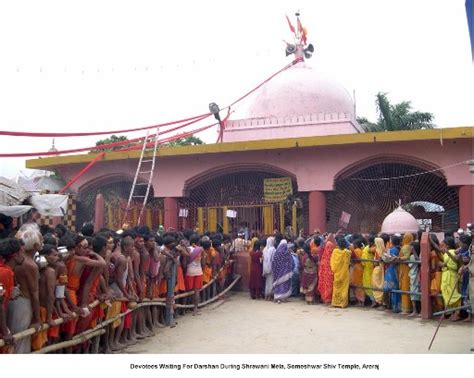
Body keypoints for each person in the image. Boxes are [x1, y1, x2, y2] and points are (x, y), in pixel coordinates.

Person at [9, 226, 42, 353]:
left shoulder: (17, 259)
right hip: (23, 304)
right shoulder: (30, 265)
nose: (42, 243)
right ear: (35, 245)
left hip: (14, 301)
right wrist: (37, 318)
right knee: (21, 340)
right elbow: (34, 293)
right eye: (40, 241)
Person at [31, 244, 58, 351]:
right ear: (45, 257)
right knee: (39, 344)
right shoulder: (50, 272)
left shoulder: (36, 269)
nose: (57, 258)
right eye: (54, 255)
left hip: (35, 309)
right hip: (43, 311)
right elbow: (50, 295)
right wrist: (49, 317)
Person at [330, 236, 351, 308]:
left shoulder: (335, 251)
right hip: (344, 273)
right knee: (344, 289)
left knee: (336, 288)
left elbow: (332, 262)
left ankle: (335, 303)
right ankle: (342, 303)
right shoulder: (347, 252)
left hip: (337, 273)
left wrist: (334, 270)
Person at [383, 235, 401, 313]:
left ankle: (390, 306)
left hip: (391, 270)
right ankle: (396, 306)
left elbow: (386, 258)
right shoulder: (399, 249)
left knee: (389, 288)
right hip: (396, 269)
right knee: (395, 288)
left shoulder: (392, 250)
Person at [271, 239, 293, 303]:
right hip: (286, 272)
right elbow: (290, 262)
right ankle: (284, 298)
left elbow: (274, 262)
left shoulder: (276, 252)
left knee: (278, 284)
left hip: (277, 272)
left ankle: (277, 297)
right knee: (285, 284)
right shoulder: (287, 253)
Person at [399, 233, 414, 314]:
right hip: (407, 268)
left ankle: (406, 308)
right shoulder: (410, 246)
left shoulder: (405, 247)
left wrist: (398, 258)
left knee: (405, 287)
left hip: (405, 268)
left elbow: (406, 257)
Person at [318, 239, 335, 305]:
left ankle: (325, 299)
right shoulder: (333, 256)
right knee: (329, 286)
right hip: (329, 276)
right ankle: (329, 300)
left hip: (324, 276)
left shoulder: (323, 257)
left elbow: (321, 268)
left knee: (324, 286)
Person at [361, 235, 376, 307]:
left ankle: (373, 302)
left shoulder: (366, 249)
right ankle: (375, 301)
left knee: (368, 285)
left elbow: (363, 262)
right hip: (374, 268)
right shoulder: (377, 247)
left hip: (367, 270)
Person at [371, 237, 386, 307]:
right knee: (381, 284)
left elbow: (376, 262)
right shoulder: (384, 250)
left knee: (376, 284)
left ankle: (378, 300)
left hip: (377, 269)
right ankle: (382, 301)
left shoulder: (377, 251)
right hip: (382, 268)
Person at [408, 241, 421, 317]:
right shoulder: (418, 255)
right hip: (416, 275)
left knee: (413, 293)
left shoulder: (412, 256)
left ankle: (415, 310)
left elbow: (410, 265)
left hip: (413, 275)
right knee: (417, 293)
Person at [351, 238, 365, 306]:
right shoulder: (362, 250)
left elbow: (354, 259)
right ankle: (362, 300)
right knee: (361, 284)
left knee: (356, 285)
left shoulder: (355, 251)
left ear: (356, 245)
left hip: (356, 268)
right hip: (361, 268)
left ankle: (359, 301)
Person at [262, 236, 276, 301]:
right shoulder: (273, 249)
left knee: (267, 282)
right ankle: (270, 296)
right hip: (271, 267)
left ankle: (266, 296)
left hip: (265, 267)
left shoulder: (264, 249)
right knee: (271, 282)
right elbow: (273, 259)